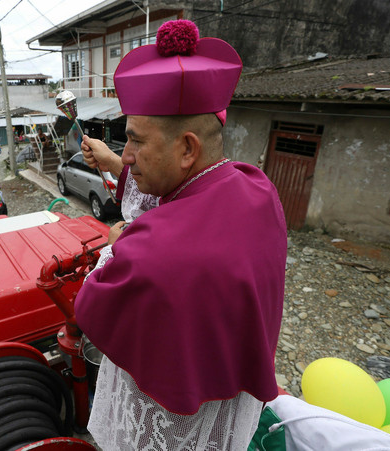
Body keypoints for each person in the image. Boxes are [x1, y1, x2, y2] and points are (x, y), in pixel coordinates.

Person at [74, 19, 287, 450]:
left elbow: (92, 306)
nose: (128, 157)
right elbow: (180, 197)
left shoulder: (153, 255)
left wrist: (116, 245)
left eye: (134, 141)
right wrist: (115, 163)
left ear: (187, 148)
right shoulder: (256, 188)